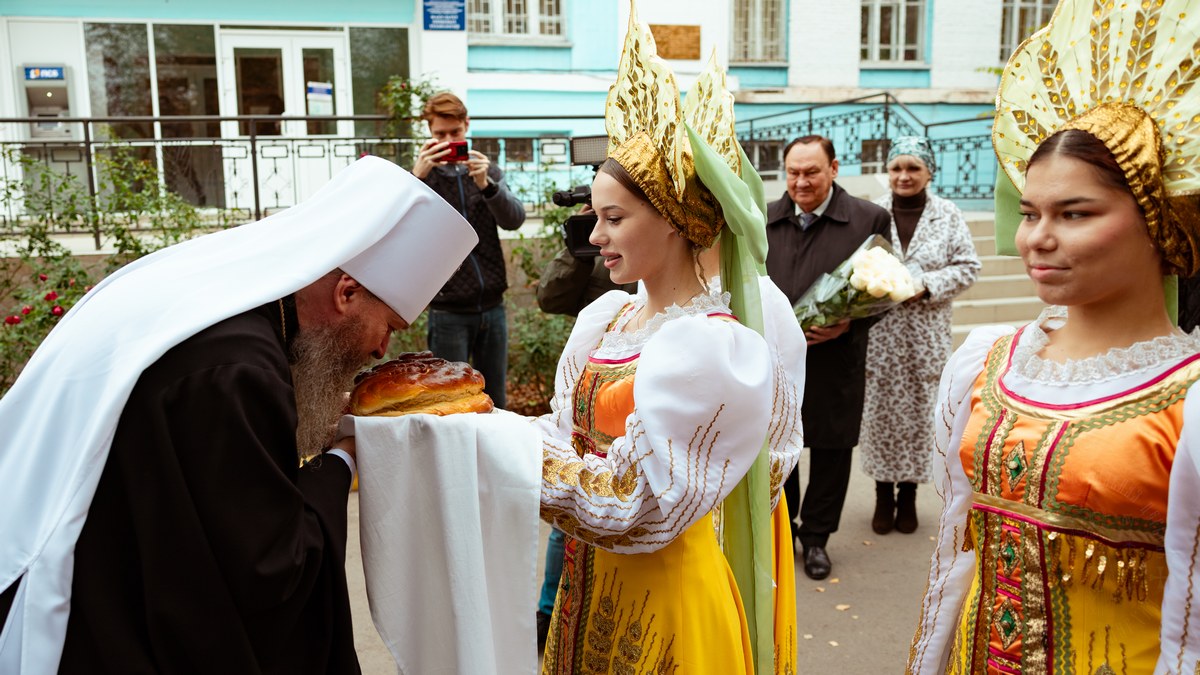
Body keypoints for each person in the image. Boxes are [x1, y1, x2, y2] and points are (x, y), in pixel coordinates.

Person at [0, 157, 478, 673]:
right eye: (389, 326)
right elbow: (270, 573)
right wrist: (344, 457)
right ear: (347, 293)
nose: (381, 350)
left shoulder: (222, 311)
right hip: (100, 617)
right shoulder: (236, 372)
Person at [909, 1, 1200, 671]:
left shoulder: (1186, 403)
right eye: (1032, 210)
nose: (1038, 237)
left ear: (1157, 220)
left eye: (1075, 213)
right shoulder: (987, 362)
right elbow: (954, 562)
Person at [764, 134, 891, 580]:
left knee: (833, 452)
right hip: (777, 362)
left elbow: (886, 287)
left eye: (811, 172)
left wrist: (849, 324)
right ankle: (787, 528)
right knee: (783, 448)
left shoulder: (868, 218)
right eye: (793, 173)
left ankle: (817, 539)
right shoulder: (764, 218)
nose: (801, 182)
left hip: (836, 359)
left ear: (833, 169)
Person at [859, 137, 980, 536]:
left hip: (926, 333)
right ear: (888, 172)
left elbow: (967, 266)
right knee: (879, 413)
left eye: (913, 168)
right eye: (897, 168)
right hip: (879, 331)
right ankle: (881, 493)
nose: (904, 176)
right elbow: (853, 263)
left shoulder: (947, 214)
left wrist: (923, 284)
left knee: (918, 413)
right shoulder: (872, 210)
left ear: (929, 171)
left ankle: (909, 493)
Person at [532, 221, 636, 652]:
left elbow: (642, 504)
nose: (595, 234)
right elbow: (551, 297)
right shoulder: (608, 309)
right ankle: (547, 609)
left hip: (631, 527)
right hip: (586, 453)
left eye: (614, 217)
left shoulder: (700, 334)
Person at [413, 91, 526, 409]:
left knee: (496, 401)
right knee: (451, 405)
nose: (448, 141)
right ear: (429, 134)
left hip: (492, 306)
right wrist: (415, 179)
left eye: (455, 133)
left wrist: (487, 186)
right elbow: (399, 228)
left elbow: (514, 220)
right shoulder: (423, 177)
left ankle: (496, 460)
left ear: (467, 125)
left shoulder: (485, 170)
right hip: (448, 311)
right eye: (439, 135)